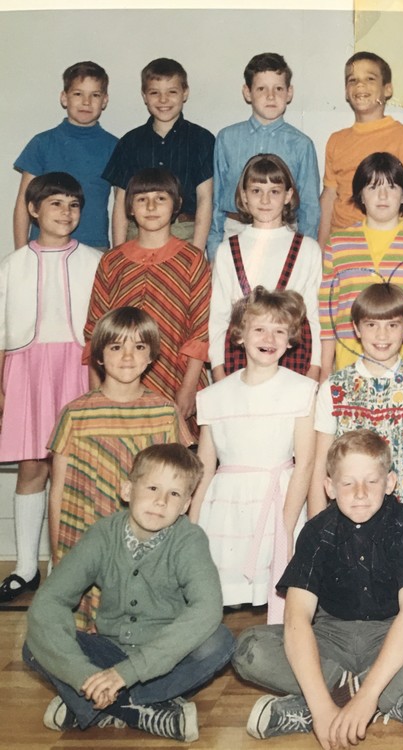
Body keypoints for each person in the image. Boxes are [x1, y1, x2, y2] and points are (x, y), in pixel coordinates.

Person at [233, 429, 403, 745]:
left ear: (390, 483)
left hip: (389, 635)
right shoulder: (316, 530)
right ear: (329, 487)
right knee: (248, 648)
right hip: (329, 638)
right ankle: (385, 701)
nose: (360, 493)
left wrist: (366, 695)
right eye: (348, 483)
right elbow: (297, 617)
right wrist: (321, 708)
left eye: (371, 481)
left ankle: (337, 703)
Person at [23, 443, 233, 742]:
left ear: (186, 504)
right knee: (34, 643)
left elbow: (207, 608)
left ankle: (91, 705)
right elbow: (50, 600)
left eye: (174, 494)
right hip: (107, 655)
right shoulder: (102, 534)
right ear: (127, 490)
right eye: (152, 488)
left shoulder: (190, 540)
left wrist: (126, 673)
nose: (161, 501)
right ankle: (140, 709)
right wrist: (82, 675)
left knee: (219, 642)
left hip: (165, 660)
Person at [0, 173, 101, 604]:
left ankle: (66, 567)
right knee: (32, 468)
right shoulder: (13, 264)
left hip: (77, 368)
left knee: (72, 469)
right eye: (55, 203)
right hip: (27, 368)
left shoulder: (94, 260)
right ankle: (26, 568)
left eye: (73, 205)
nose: (65, 212)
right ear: (33, 210)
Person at [48, 307, 181, 629]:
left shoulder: (164, 412)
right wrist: (58, 556)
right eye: (116, 346)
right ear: (98, 355)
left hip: (146, 541)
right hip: (90, 537)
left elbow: (174, 485)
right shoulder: (75, 414)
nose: (127, 356)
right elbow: (59, 492)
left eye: (139, 346)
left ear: (151, 355)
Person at [191, 288, 317, 624]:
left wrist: (286, 525)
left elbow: (305, 463)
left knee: (280, 594)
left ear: (291, 339)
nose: (269, 338)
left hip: (279, 502)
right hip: (226, 508)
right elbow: (205, 466)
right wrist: (193, 523)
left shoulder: (301, 390)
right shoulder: (215, 395)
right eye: (259, 329)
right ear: (239, 335)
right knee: (215, 593)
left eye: (279, 330)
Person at [84, 167, 211, 435]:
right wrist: (96, 390)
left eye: (160, 198)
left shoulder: (192, 259)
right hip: (118, 379)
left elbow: (200, 332)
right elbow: (95, 331)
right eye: (142, 199)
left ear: (176, 205)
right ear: (130, 207)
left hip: (177, 377)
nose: (151, 207)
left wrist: (189, 387)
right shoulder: (111, 261)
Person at [310, 283, 403, 541]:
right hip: (345, 530)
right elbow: (319, 468)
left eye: (392, 325)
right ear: (357, 328)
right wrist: (317, 537)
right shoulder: (334, 388)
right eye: (371, 324)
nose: (382, 335)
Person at [319, 152, 403, 386]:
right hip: (351, 365)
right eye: (373, 187)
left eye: (392, 187)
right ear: (361, 195)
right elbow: (328, 317)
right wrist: (326, 369)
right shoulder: (338, 244)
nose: (383, 195)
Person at [209, 154, 322, 381]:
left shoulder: (308, 249)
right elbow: (219, 316)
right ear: (244, 196)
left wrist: (315, 366)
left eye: (274, 191)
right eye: (256, 191)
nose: (265, 200)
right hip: (239, 358)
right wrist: (218, 368)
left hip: (293, 355)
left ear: (288, 195)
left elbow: (314, 315)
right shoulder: (226, 250)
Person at [209, 52, 321, 256]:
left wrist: (304, 252)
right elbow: (216, 199)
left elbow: (309, 207)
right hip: (235, 230)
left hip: (284, 233)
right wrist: (215, 246)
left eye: (278, 88)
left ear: (289, 93)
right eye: (261, 88)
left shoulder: (301, 144)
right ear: (247, 92)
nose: (271, 96)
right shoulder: (227, 138)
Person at [101, 58, 214, 250]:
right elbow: (120, 201)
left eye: (172, 92)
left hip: (185, 233)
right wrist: (118, 252)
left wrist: (197, 251)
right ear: (144, 96)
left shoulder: (202, 139)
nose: (163, 100)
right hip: (137, 235)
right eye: (155, 93)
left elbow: (205, 200)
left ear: (185, 93)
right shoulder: (130, 141)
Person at [317, 52, 403, 242]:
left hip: (387, 239)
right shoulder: (336, 140)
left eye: (370, 79)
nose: (360, 85)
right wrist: (322, 245)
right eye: (352, 80)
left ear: (387, 89)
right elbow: (329, 197)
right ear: (346, 92)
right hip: (342, 241)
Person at [13, 61, 118, 250]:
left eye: (95, 95)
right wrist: (21, 253)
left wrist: (119, 254)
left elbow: (122, 205)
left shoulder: (115, 147)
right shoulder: (42, 143)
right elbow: (23, 201)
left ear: (104, 101)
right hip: (44, 246)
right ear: (64, 98)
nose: (86, 102)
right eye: (78, 94)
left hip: (94, 247)